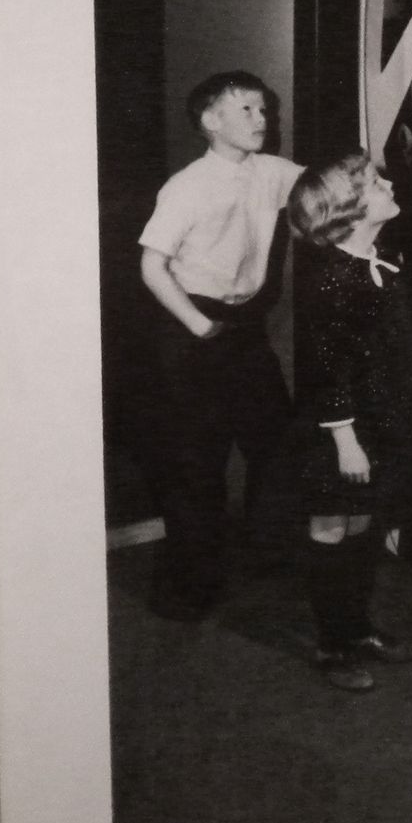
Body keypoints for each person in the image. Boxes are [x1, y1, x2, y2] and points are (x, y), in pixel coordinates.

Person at [138, 71, 302, 619]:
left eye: (264, 111)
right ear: (211, 122)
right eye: (249, 111)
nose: (263, 120)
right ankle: (186, 590)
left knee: (276, 443)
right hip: (191, 329)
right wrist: (197, 325)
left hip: (243, 330)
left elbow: (326, 186)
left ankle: (267, 554)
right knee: (196, 464)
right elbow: (152, 266)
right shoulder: (186, 186)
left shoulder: (272, 172)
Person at [286, 152, 412, 691]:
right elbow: (326, 369)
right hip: (337, 430)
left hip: (380, 420)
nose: (388, 183)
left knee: (365, 522)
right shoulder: (329, 281)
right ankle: (332, 644)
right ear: (347, 209)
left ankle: (360, 628)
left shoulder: (378, 260)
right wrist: (346, 442)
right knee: (331, 525)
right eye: (374, 182)